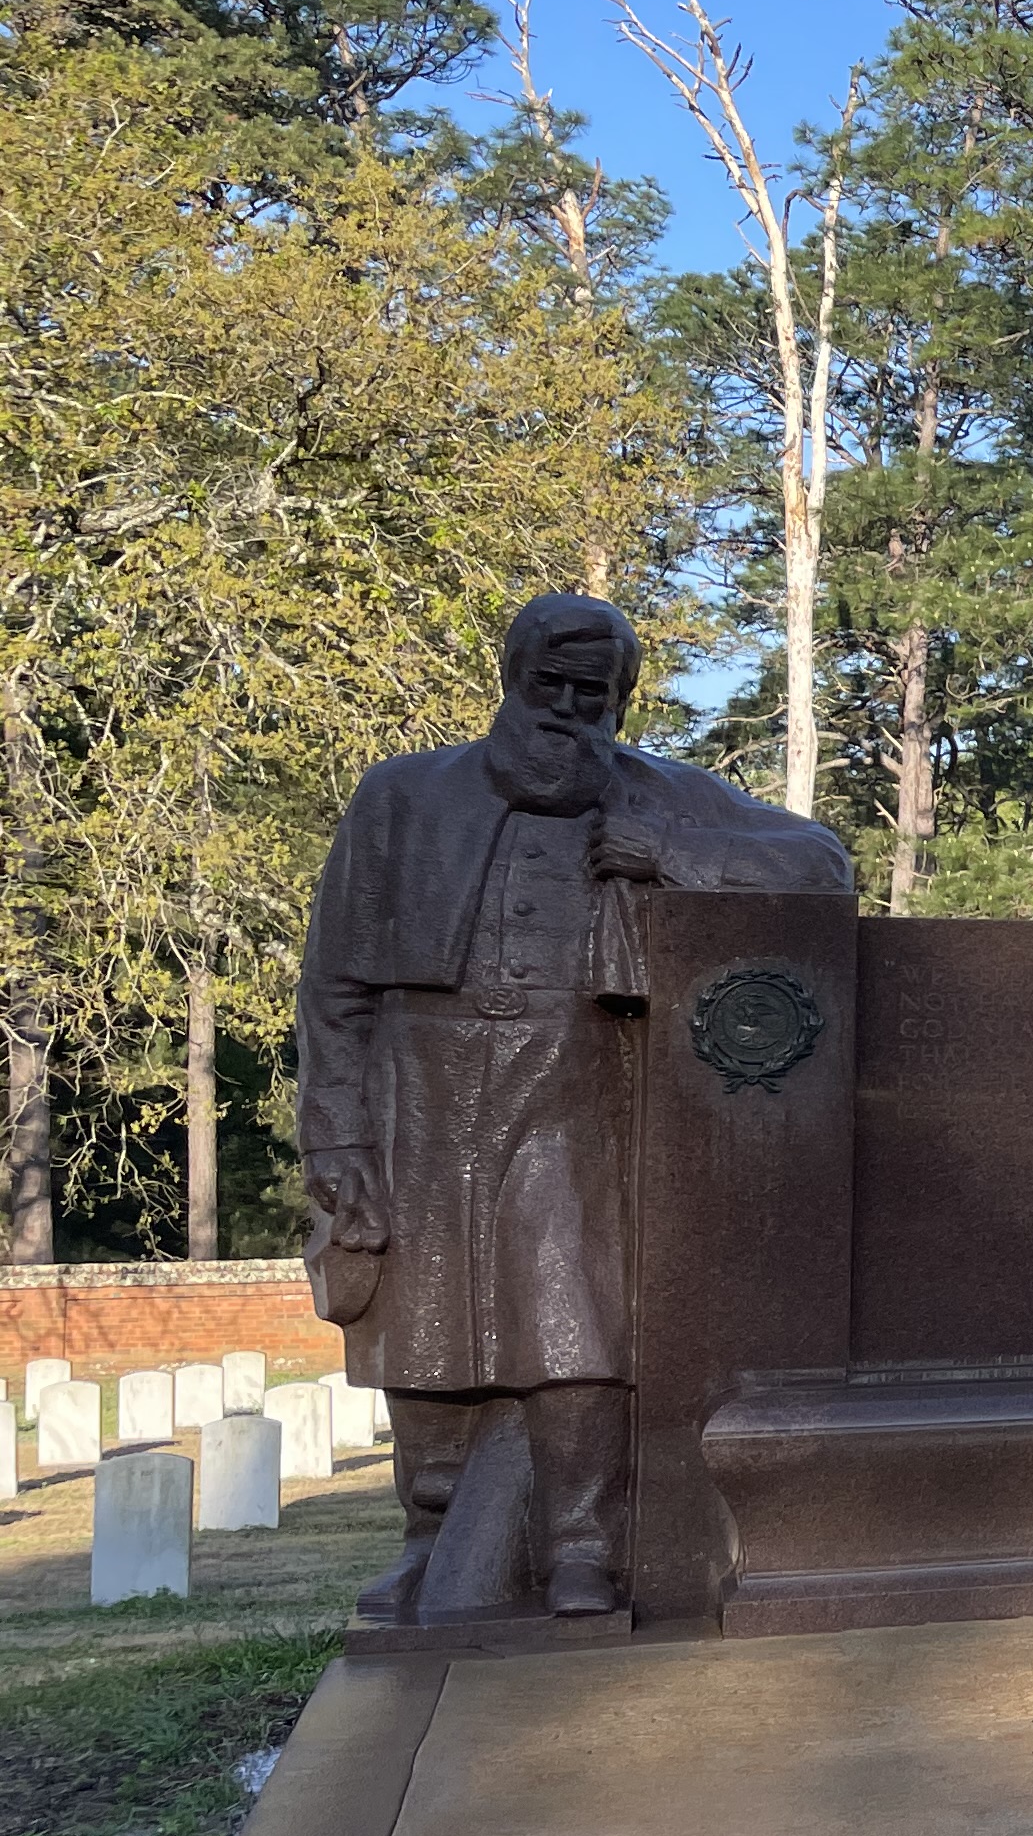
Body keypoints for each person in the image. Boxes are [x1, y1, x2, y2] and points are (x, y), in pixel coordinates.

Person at [296, 594, 851, 1622]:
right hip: (418, 1087)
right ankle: (432, 1536)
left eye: (589, 694)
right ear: (511, 677)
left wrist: (674, 860)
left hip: (574, 1081)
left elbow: (822, 864)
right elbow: (335, 985)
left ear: (619, 704)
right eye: (546, 685)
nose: (564, 709)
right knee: (416, 1327)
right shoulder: (404, 796)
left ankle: (582, 1544)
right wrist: (333, 1134)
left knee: (574, 1319)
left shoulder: (665, 798)